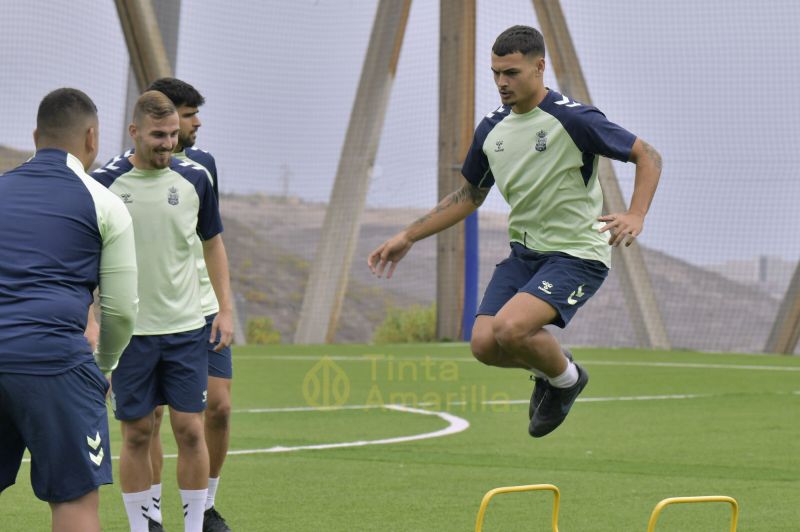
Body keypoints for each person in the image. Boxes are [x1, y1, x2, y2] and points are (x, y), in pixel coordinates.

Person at [368, 25, 662, 438]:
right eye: (495, 73)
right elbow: (469, 195)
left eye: (511, 73)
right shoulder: (492, 128)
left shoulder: (572, 118)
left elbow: (647, 155)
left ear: (539, 67)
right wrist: (408, 236)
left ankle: (566, 380)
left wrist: (636, 213)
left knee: (511, 328)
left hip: (577, 255)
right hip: (524, 255)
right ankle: (554, 367)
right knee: (484, 345)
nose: (501, 82)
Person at [92, 91, 234, 532]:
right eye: (158, 135)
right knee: (137, 433)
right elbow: (86, 256)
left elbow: (213, 243)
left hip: (187, 329)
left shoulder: (196, 179)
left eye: (173, 134)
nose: (168, 143)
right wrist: (91, 320)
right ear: (134, 132)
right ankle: (143, 527)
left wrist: (225, 309)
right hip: (129, 334)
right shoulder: (103, 184)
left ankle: (194, 526)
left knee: (190, 429)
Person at [0, 88, 138, 531]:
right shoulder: (104, 201)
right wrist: (104, 367)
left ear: (36, 136)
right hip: (55, 362)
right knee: (74, 501)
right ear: (92, 138)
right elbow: (120, 311)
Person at [145, 77, 233, 532]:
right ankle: (151, 515)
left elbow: (212, 238)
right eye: (188, 114)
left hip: (205, 308)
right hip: (155, 311)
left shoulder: (204, 166)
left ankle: (207, 508)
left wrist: (225, 305)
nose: (196, 123)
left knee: (218, 407)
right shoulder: (123, 172)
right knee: (152, 417)